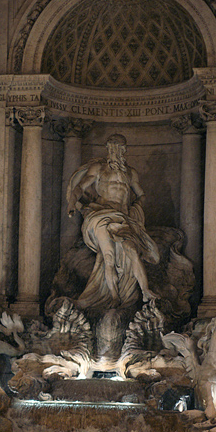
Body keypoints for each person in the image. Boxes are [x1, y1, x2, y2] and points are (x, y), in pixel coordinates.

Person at [66, 133, 160, 310]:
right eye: (113, 148)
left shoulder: (131, 173)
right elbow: (80, 187)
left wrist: (137, 208)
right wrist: (72, 202)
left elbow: (141, 195)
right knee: (108, 257)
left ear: (124, 150)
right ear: (108, 149)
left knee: (132, 249)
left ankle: (145, 290)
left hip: (123, 217)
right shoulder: (98, 168)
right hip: (101, 215)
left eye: (120, 148)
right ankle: (114, 296)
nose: (116, 152)